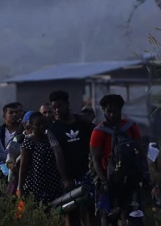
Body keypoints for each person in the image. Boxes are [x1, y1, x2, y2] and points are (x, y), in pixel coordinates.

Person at [90, 94, 147, 225]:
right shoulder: (98, 132)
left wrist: (145, 174)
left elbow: (140, 152)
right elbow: (96, 159)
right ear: (103, 111)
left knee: (135, 219)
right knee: (110, 220)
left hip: (131, 180)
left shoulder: (131, 126)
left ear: (120, 110)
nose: (112, 115)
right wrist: (104, 182)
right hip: (110, 182)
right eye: (108, 112)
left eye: (115, 111)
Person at [49, 89, 94, 226]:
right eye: (54, 107)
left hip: (88, 174)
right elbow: (58, 154)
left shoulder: (83, 123)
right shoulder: (52, 129)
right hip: (68, 177)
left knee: (91, 212)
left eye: (60, 106)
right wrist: (66, 179)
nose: (57, 110)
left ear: (68, 104)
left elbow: (94, 145)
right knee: (71, 213)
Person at [18, 112, 68, 208]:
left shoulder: (49, 139)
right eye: (37, 125)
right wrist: (20, 188)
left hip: (52, 185)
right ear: (31, 126)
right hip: (35, 186)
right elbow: (23, 166)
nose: (41, 127)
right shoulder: (28, 141)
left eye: (42, 124)